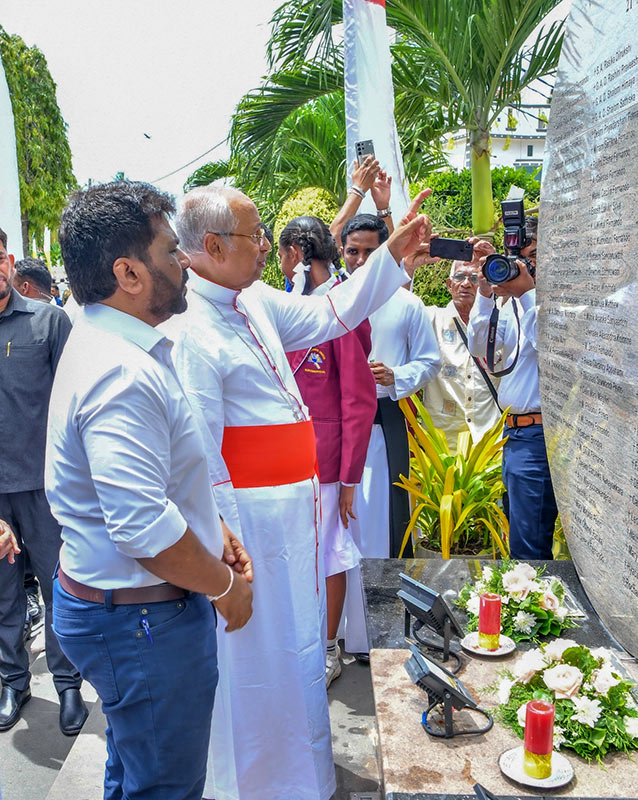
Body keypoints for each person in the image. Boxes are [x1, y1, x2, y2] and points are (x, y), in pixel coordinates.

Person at [165, 184, 431, 800]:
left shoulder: (254, 299)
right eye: (254, 236)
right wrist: (227, 560)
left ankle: (302, 777)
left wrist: (389, 258)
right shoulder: (192, 330)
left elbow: (332, 313)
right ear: (210, 246)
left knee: (300, 650)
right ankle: (259, 785)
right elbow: (205, 463)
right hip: (250, 532)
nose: (266, 247)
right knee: (258, 663)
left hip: (292, 515)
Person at [47, 181, 253, 798]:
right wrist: (224, 588)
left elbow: (154, 478)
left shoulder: (121, 347)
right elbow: (139, 527)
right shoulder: (121, 370)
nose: (186, 262)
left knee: (137, 768)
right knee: (164, 787)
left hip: (130, 612)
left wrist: (210, 528)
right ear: (128, 273)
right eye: (171, 252)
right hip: (142, 621)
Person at [338, 213, 441, 657]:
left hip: (382, 430)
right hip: (336, 434)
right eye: (352, 251)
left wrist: (396, 376)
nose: (361, 261)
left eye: (370, 251)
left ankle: (373, 633)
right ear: (341, 252)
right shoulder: (330, 302)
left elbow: (431, 361)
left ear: (387, 250)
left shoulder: (407, 305)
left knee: (380, 525)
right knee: (334, 532)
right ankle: (334, 633)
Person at [280, 216, 376, 687]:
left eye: (282, 253)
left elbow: (358, 398)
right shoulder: (286, 306)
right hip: (281, 462)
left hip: (327, 463)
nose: (277, 264)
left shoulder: (339, 309)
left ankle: (330, 646)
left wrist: (350, 478)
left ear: (296, 253)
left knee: (331, 556)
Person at [0, 227, 86, 735]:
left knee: (60, 586)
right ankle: (12, 681)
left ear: (7, 260)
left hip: (46, 487)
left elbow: (75, 402)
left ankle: (68, 684)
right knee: (3, 592)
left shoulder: (48, 321)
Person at [467, 217, 559, 560]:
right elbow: (480, 348)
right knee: (519, 536)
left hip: (539, 438)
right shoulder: (513, 304)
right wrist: (486, 291)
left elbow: (546, 345)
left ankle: (532, 609)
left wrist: (526, 292)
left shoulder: (555, 303)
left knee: (530, 547)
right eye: (518, 257)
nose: (524, 265)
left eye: (532, 255)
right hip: (514, 435)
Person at [423, 258, 501, 450]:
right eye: (459, 277)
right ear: (449, 284)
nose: (466, 283)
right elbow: (399, 306)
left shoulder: (501, 323)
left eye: (474, 278)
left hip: (491, 442)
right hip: (443, 445)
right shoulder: (432, 319)